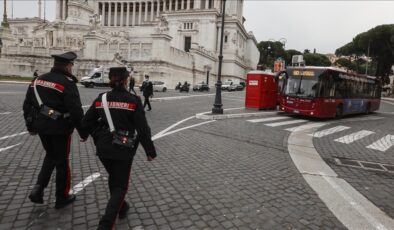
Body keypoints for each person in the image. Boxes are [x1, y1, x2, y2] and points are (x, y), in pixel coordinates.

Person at [82, 67, 156, 230]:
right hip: (123, 149)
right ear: (125, 80)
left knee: (114, 178)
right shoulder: (133, 100)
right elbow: (143, 129)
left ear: (110, 79)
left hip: (103, 149)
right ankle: (107, 223)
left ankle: (122, 207)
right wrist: (150, 151)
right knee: (120, 185)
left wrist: (95, 135)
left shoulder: (101, 98)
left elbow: (87, 121)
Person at [23, 51, 88, 209]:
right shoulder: (67, 83)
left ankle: (38, 189)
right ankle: (62, 197)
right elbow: (76, 111)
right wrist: (83, 132)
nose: (72, 68)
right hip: (61, 128)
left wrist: (30, 126)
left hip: (42, 127)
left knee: (50, 156)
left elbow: (27, 105)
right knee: (62, 162)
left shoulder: (37, 80)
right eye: (72, 65)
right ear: (67, 66)